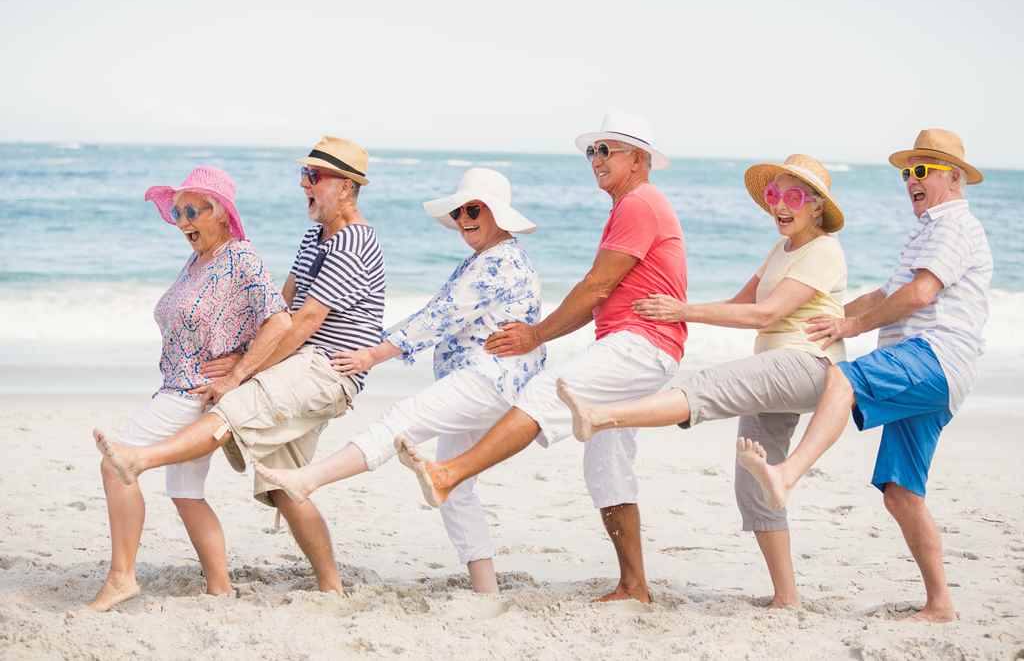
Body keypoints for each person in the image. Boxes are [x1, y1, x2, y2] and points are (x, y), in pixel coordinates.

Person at [399, 111, 686, 603]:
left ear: (638, 160)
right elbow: (600, 291)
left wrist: (536, 335)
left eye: (605, 150)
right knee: (607, 461)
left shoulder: (640, 203)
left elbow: (597, 285)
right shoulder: (633, 205)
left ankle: (450, 473)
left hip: (641, 343)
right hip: (638, 344)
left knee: (546, 390)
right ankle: (634, 586)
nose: (594, 160)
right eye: (591, 151)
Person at [94, 136, 385, 595]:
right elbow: (283, 305)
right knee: (281, 484)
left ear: (347, 187)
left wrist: (238, 373)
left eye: (314, 176)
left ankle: (139, 458)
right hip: (293, 364)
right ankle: (332, 588)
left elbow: (306, 320)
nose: (303, 184)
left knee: (227, 408)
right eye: (302, 176)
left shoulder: (354, 241)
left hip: (326, 368)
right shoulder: (315, 237)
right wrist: (247, 354)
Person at [556, 154, 847, 608]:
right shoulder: (781, 251)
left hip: (805, 367)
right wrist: (675, 319)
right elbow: (738, 306)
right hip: (775, 374)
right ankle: (786, 599)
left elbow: (767, 314)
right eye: (774, 195)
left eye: (793, 197)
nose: (780, 206)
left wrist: (681, 310)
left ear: (816, 207)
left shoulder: (824, 250)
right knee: (754, 483)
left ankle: (602, 416)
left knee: (707, 388)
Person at [738, 129, 991, 623]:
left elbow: (918, 296)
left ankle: (786, 475)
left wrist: (850, 327)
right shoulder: (927, 230)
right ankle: (940, 605)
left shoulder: (953, 225)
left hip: (932, 356)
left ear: (954, 178)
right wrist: (824, 318)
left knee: (843, 379)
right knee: (901, 491)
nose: (911, 181)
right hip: (933, 372)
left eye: (923, 171)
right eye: (907, 172)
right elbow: (883, 297)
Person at [256, 168, 543, 594]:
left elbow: (437, 318)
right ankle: (487, 593)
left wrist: (372, 354)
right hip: (498, 385)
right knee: (457, 489)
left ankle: (307, 479)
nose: (464, 218)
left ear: (497, 214)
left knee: (399, 421)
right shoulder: (494, 257)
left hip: (484, 381)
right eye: (460, 210)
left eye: (474, 209)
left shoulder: (497, 263)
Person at [89, 166, 291, 611]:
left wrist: (239, 372)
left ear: (220, 212)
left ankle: (122, 577)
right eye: (177, 211)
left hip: (193, 395)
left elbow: (279, 320)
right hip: (180, 389)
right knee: (185, 493)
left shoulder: (241, 258)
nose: (182, 221)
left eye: (191, 211)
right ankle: (220, 589)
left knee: (115, 464)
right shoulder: (200, 259)